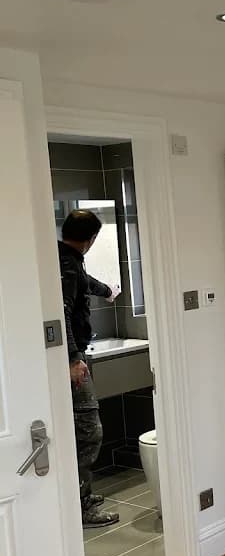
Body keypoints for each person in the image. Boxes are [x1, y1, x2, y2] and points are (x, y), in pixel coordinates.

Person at [59, 210, 121, 528]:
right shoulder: (68, 264)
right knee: (88, 432)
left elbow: (86, 284)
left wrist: (108, 291)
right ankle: (80, 506)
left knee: (79, 431)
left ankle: (77, 495)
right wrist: (72, 358)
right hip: (73, 359)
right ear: (92, 239)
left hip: (75, 355)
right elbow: (63, 313)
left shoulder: (64, 258)